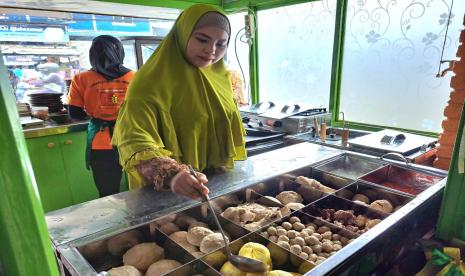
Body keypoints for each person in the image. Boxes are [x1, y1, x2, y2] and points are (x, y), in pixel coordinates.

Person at [112, 4, 247, 200]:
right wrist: (171, 174)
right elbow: (133, 140)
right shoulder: (150, 81)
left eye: (221, 44)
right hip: (166, 192)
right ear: (183, 35)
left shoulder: (221, 77)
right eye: (202, 39)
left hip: (211, 187)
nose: (211, 50)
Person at [68, 35, 135, 197]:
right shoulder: (134, 77)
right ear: (121, 53)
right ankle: (145, 222)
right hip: (133, 139)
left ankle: (116, 223)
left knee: (108, 193)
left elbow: (75, 113)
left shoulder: (81, 79)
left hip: (102, 143)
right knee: (141, 188)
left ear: (93, 55)